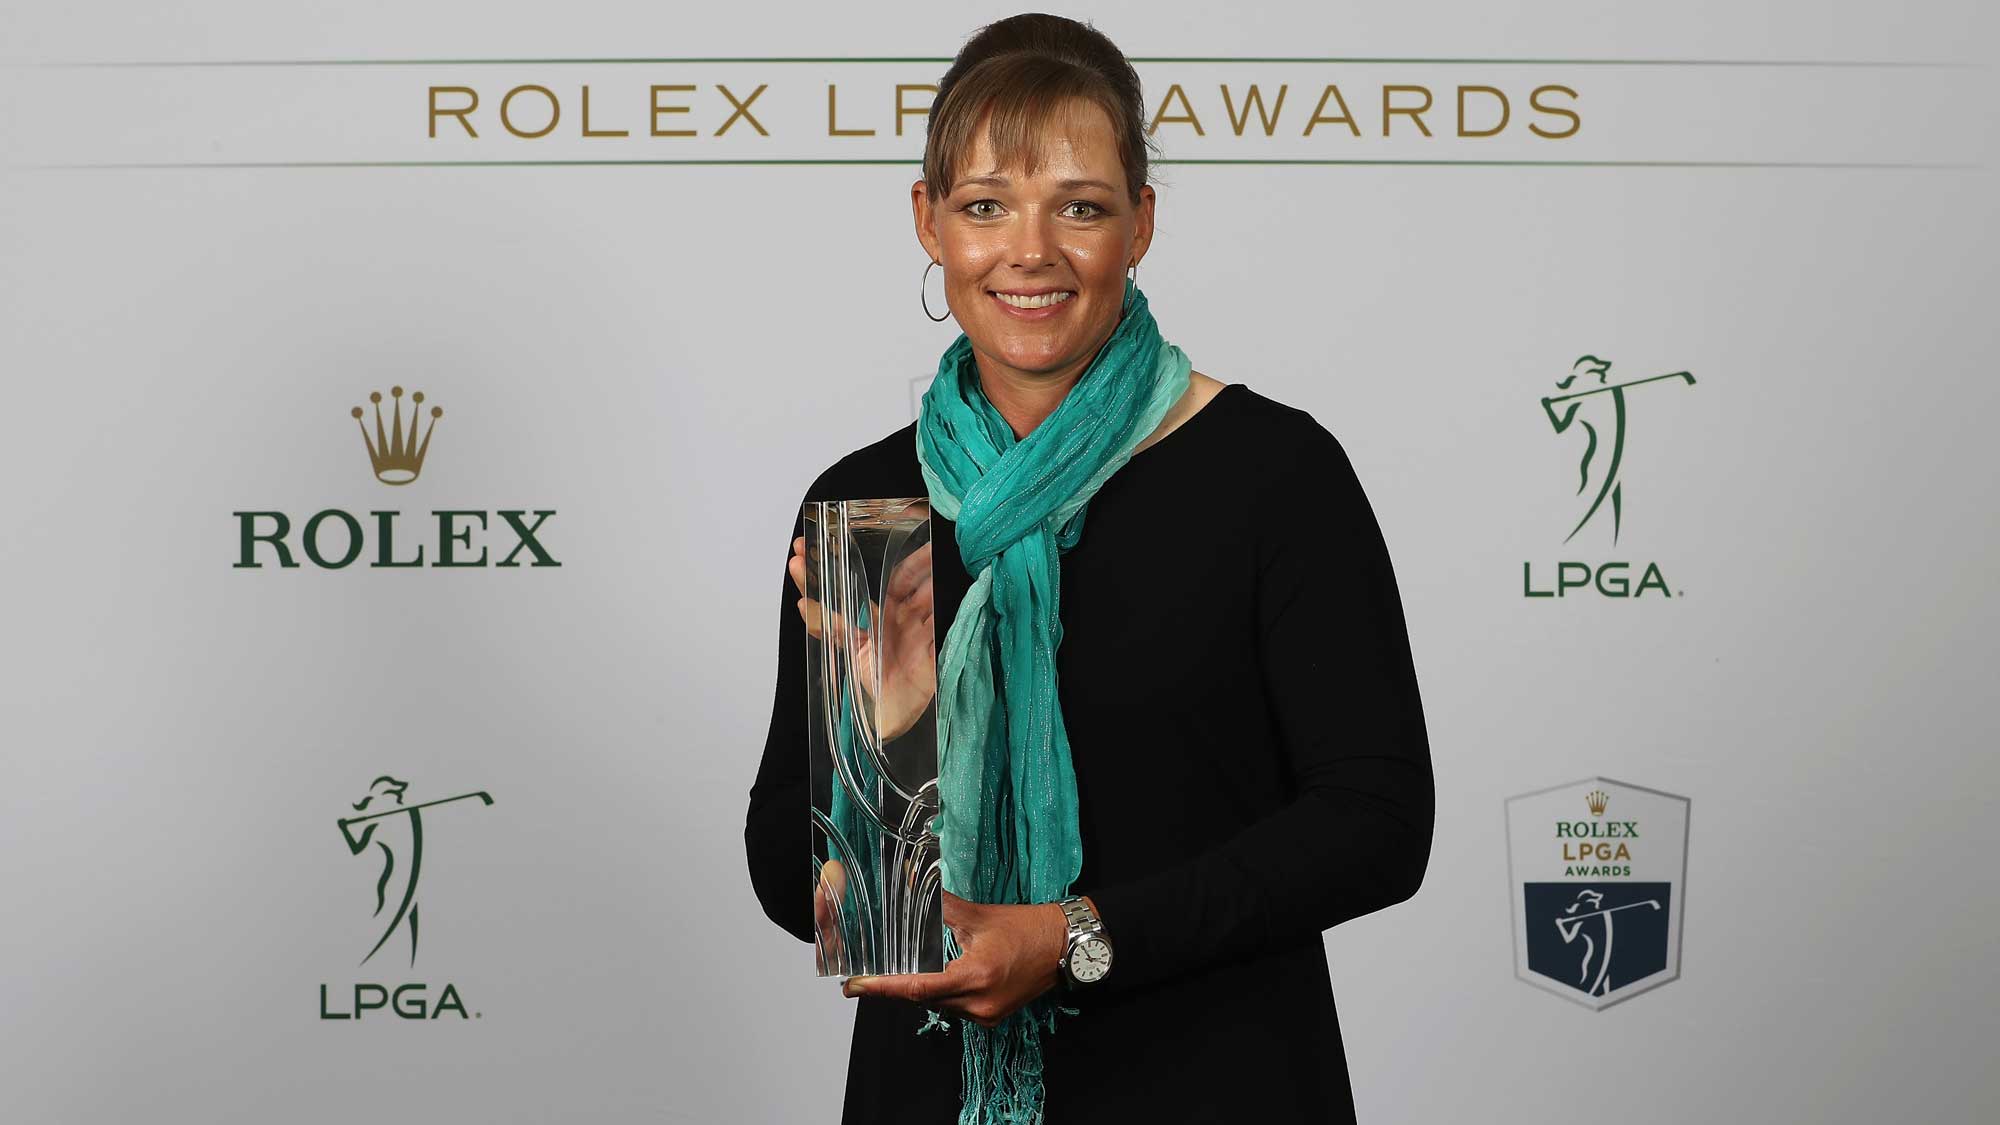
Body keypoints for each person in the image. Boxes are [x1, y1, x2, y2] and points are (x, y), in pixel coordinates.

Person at [745, 13, 1434, 1123]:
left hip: (1221, 1085)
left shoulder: (1271, 473)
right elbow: (804, 888)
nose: (1030, 250)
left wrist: (1071, 939)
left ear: (1139, 225)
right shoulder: (872, 505)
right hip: (930, 1097)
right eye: (983, 206)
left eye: (1079, 205)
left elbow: (1375, 823)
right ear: (927, 222)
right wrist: (893, 726)